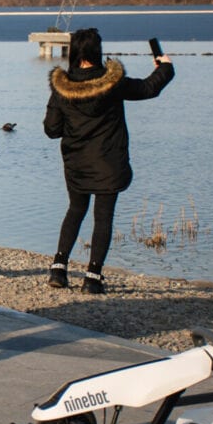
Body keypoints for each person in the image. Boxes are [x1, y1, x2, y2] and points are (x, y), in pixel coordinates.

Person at [44, 27, 174, 294]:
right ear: (97, 51)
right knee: (103, 218)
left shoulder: (62, 88)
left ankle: (59, 268)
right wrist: (165, 68)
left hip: (77, 163)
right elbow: (149, 88)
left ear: (74, 52)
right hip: (109, 162)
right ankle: (92, 277)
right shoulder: (113, 83)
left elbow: (51, 129)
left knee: (75, 210)